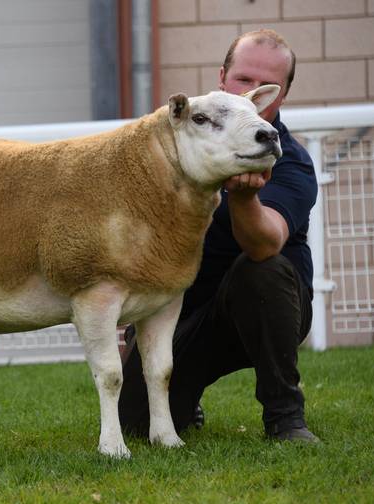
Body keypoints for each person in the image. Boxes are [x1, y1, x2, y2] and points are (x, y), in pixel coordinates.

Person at [118, 29, 320, 442]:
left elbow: (265, 245)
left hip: (268, 309)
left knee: (261, 269)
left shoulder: (292, 163)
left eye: (265, 86)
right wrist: (132, 326)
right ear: (222, 78)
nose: (250, 91)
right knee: (137, 424)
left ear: (279, 96)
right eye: (242, 79)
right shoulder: (173, 149)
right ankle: (183, 400)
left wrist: (244, 197)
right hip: (184, 314)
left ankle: (286, 419)